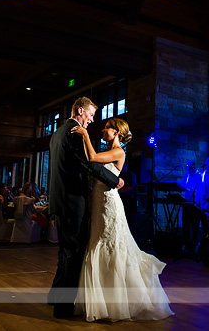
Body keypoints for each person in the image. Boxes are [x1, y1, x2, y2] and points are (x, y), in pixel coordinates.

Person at [72, 117, 173, 322]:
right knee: (98, 242)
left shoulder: (119, 152)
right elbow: (92, 164)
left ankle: (117, 301)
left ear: (116, 132)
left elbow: (91, 158)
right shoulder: (108, 150)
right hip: (98, 201)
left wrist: (84, 134)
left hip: (109, 203)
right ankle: (102, 301)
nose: (103, 130)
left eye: (107, 128)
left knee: (111, 244)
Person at [47, 97, 124, 319]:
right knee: (73, 253)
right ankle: (63, 308)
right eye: (90, 114)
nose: (92, 120)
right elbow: (87, 163)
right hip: (72, 202)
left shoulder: (58, 132)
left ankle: (54, 297)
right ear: (80, 110)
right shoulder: (75, 132)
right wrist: (114, 180)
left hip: (60, 201)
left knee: (65, 252)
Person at [178, 161, 202, 256]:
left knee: (194, 225)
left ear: (193, 167)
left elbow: (200, 189)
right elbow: (184, 186)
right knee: (185, 224)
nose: (187, 170)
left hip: (194, 203)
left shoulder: (199, 176)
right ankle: (186, 244)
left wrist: (197, 201)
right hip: (186, 202)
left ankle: (194, 245)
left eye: (189, 168)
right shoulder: (186, 175)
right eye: (187, 168)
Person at [118, 160, 138, 227]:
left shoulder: (131, 175)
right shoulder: (119, 174)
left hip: (128, 199)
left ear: (126, 165)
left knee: (127, 216)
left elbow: (130, 187)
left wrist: (119, 191)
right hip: (120, 198)